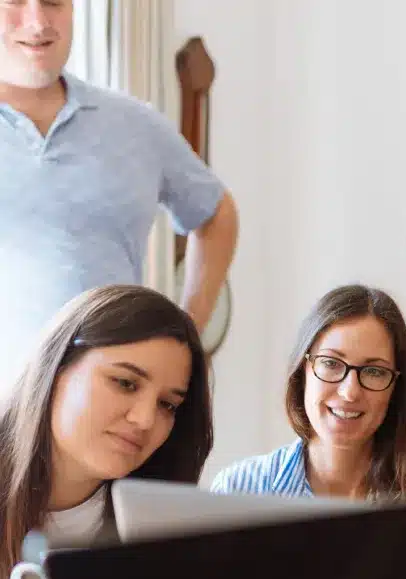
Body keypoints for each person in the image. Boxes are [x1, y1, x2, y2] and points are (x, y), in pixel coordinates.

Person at [0, 0, 239, 396]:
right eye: (15, 2)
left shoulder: (134, 124)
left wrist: (186, 336)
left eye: (53, 3)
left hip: (118, 411)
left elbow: (216, 214)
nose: (38, 22)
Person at [0, 285, 214, 579]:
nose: (146, 419)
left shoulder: (160, 532)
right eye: (125, 383)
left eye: (168, 405)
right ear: (56, 368)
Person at [211, 286, 406, 525]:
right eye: (331, 363)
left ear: (397, 386)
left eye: (373, 371)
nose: (349, 392)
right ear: (303, 371)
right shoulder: (238, 490)